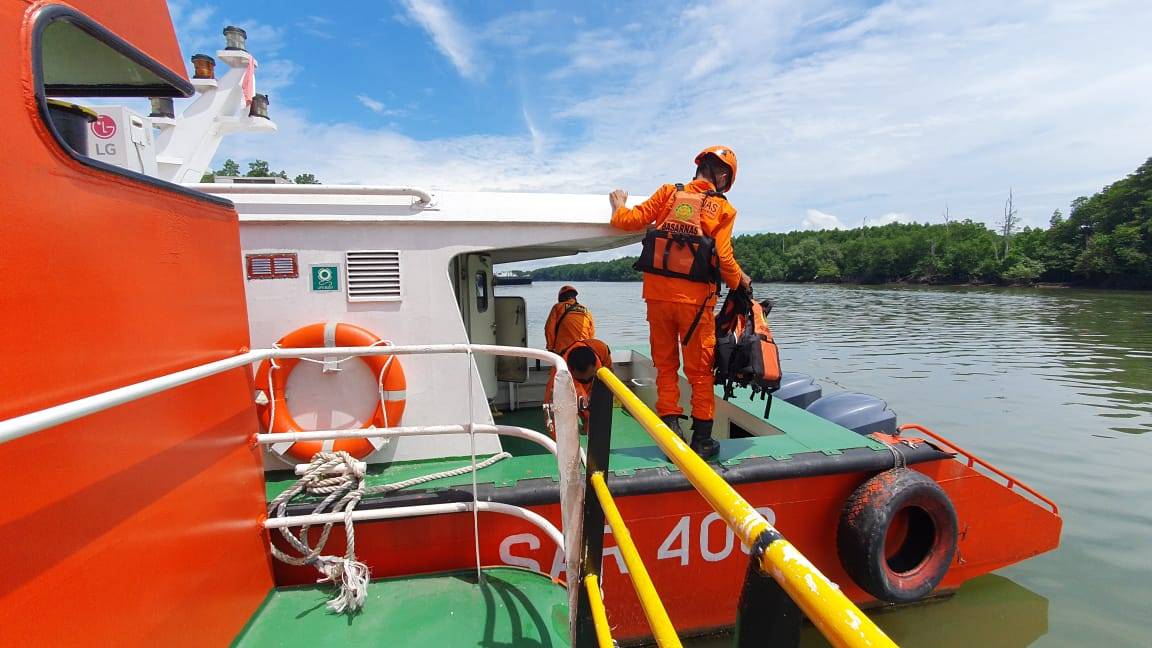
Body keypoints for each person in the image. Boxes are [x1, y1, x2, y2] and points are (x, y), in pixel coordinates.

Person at [608, 146, 751, 459]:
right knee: (700, 372)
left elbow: (630, 221)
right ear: (724, 176)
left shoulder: (668, 193)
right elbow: (724, 257)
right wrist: (740, 282)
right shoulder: (723, 210)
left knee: (665, 364)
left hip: (657, 298)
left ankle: (671, 427)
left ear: (700, 167)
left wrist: (618, 205)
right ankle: (701, 440)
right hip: (696, 304)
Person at [544, 338, 612, 432]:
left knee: (596, 408)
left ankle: (588, 426)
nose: (585, 380)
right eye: (582, 378)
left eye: (588, 377)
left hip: (596, 379)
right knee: (577, 403)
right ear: (571, 370)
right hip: (573, 386)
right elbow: (550, 411)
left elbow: (609, 372)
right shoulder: (558, 375)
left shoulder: (601, 348)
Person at [544, 285, 595, 355]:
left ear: (561, 298)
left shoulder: (558, 307)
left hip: (564, 350)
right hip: (584, 349)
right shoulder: (586, 310)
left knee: (559, 365)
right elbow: (591, 333)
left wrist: (550, 348)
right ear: (575, 297)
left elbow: (549, 329)